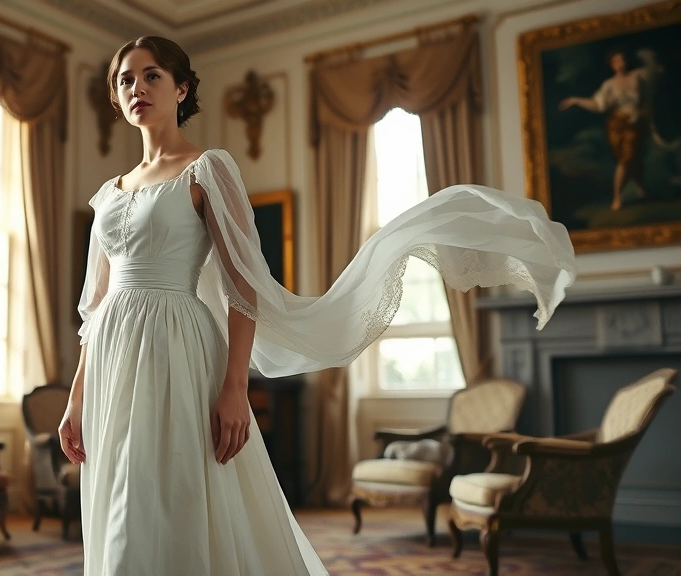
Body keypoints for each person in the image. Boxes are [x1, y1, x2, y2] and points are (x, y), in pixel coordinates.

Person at [60, 36, 577, 576]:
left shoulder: (206, 169)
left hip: (178, 347)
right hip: (113, 361)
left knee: (174, 490)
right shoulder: (108, 194)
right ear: (115, 99)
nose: (136, 88)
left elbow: (242, 287)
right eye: (125, 80)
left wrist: (235, 388)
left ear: (181, 88)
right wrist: (77, 396)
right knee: (121, 491)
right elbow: (95, 309)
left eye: (151, 76)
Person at [559, 49, 656, 211]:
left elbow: (649, 92)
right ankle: (636, 191)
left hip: (635, 123)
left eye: (622, 60)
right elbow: (598, 105)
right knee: (627, 159)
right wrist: (576, 100)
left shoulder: (637, 76)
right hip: (617, 125)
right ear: (612, 65)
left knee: (630, 157)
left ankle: (620, 195)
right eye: (616, 61)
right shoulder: (609, 85)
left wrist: (644, 113)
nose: (620, 64)